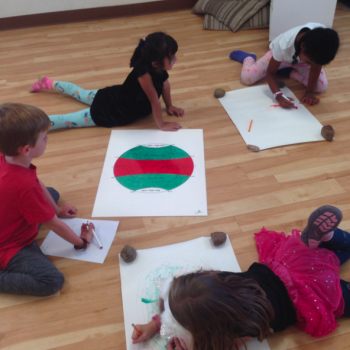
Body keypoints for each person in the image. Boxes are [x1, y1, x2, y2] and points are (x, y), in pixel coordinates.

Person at [131, 205, 350, 350]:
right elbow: (183, 302)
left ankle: (326, 245)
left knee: (340, 295)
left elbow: (226, 344)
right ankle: (328, 239)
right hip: (285, 264)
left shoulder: (247, 325)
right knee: (321, 257)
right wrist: (154, 324)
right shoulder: (218, 282)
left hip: (304, 297)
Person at [0, 102, 95, 297]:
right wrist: (81, 242)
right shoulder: (23, 186)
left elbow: (34, 180)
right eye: (44, 138)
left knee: (51, 193)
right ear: (26, 150)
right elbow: (55, 225)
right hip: (9, 244)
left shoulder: (7, 157)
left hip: (8, 215)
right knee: (52, 281)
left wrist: (57, 210)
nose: (48, 140)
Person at [29, 32, 184, 132]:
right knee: (69, 120)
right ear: (155, 63)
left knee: (80, 93)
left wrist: (170, 105)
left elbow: (165, 84)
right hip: (114, 110)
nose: (175, 59)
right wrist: (162, 125)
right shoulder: (144, 73)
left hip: (115, 96)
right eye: (171, 57)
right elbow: (154, 101)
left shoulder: (158, 68)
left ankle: (47, 83)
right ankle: (32, 125)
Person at [229, 24, 339, 108]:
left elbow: (315, 67)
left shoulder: (324, 42)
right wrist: (278, 96)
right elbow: (270, 73)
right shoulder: (283, 45)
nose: (311, 66)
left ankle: (287, 71)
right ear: (303, 46)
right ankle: (248, 58)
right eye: (310, 62)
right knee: (247, 78)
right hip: (280, 58)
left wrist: (309, 92)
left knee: (320, 87)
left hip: (298, 59)